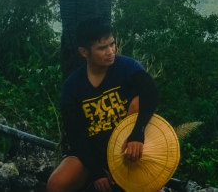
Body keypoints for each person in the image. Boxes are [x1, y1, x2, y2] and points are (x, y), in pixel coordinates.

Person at [47, 18, 159, 192]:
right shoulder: (72, 87)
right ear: (84, 52)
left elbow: (151, 93)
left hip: (126, 149)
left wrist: (138, 134)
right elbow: (76, 135)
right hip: (91, 153)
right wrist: (97, 172)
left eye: (112, 44)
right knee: (57, 184)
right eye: (102, 48)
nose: (110, 51)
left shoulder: (127, 67)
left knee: (139, 99)